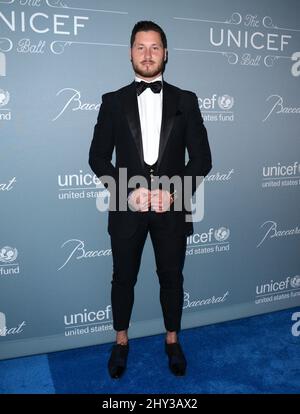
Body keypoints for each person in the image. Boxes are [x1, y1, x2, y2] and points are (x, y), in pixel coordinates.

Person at [89, 21, 212, 379]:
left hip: (171, 209)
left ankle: (172, 340)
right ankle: (121, 340)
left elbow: (202, 160)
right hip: (127, 209)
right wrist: (129, 190)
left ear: (166, 53)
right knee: (122, 278)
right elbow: (97, 158)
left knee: (172, 278)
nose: (147, 54)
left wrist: (172, 192)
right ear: (130, 53)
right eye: (140, 47)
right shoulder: (112, 102)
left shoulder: (186, 101)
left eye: (154, 47)